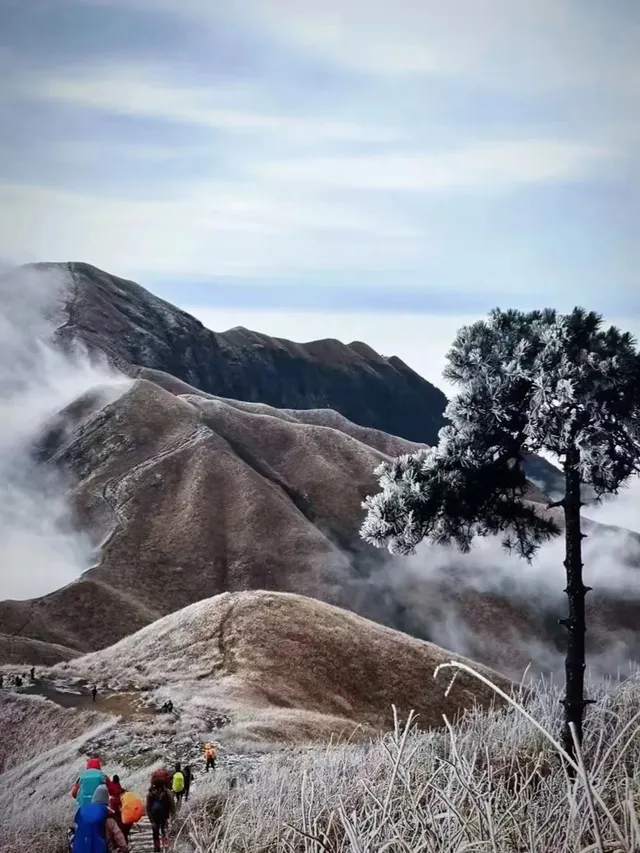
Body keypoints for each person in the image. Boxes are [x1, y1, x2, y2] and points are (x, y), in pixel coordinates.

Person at [72, 784, 129, 852]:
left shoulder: (83, 811)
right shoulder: (108, 815)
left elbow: (76, 829)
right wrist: (125, 848)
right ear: (106, 800)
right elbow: (118, 835)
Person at [146, 777, 175, 852]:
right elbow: (172, 805)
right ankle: (165, 848)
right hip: (164, 817)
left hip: (155, 818)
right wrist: (173, 817)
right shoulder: (167, 793)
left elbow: (148, 808)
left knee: (156, 835)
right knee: (164, 833)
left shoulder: (150, 794)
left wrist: (151, 821)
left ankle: (157, 849)